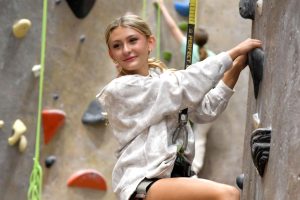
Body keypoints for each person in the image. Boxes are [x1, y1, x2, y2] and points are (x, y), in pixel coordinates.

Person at [97, 14, 262, 200]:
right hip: (144, 182)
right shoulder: (120, 89)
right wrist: (233, 52)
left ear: (150, 43)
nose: (126, 49)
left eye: (132, 40)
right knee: (227, 195)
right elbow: (181, 86)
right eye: (117, 46)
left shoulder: (163, 81)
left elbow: (207, 109)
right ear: (111, 55)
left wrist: (237, 66)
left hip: (173, 177)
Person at [155, 0, 217, 174]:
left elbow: (173, 28)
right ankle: (193, 171)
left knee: (178, 130)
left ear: (193, 41)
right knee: (200, 136)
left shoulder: (190, 50)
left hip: (192, 100)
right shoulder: (212, 56)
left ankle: (176, 166)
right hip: (210, 101)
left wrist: (161, 6)